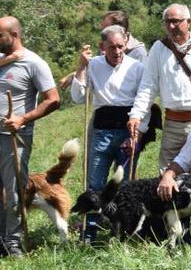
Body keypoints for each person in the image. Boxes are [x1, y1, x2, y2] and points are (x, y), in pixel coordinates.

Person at [70, 25, 147, 243]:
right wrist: (81, 67)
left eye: (121, 46)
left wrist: (137, 133)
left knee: (123, 185)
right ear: (103, 46)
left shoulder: (137, 67)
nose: (117, 51)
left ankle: (123, 231)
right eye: (112, 47)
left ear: (126, 44)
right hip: (101, 131)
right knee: (95, 184)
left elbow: (144, 100)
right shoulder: (93, 65)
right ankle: (90, 233)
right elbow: (78, 97)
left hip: (127, 129)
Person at [128, 3, 191, 170]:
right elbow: (148, 86)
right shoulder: (159, 49)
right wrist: (136, 115)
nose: (171, 26)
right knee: (167, 172)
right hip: (173, 123)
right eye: (167, 22)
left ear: (189, 22)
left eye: (176, 21)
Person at [0, 16, 60, 257]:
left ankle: (11, 242)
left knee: (13, 190)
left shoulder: (34, 63)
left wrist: (23, 119)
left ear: (13, 35)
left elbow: (54, 99)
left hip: (13, 137)